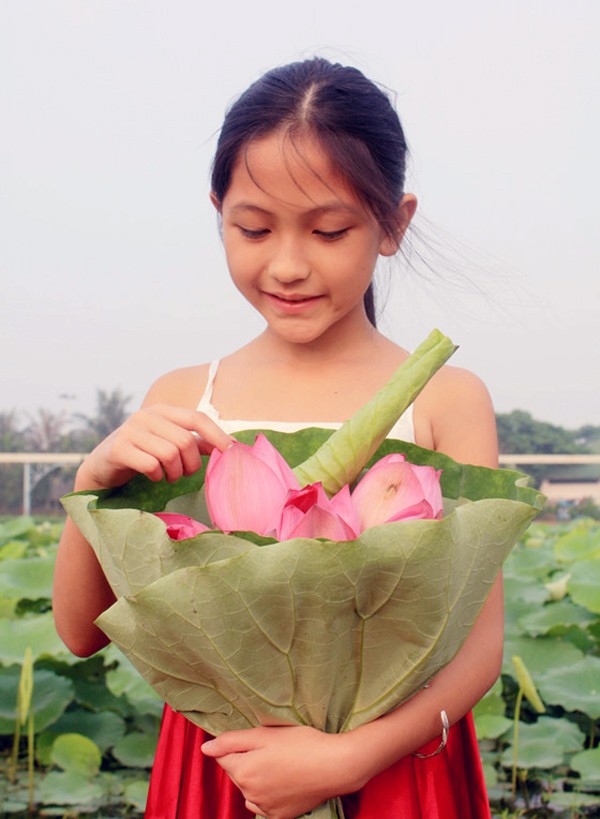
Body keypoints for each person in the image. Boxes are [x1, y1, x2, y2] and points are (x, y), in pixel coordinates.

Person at [53, 57, 501, 819]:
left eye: (329, 229)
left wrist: (349, 757)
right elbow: (78, 633)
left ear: (394, 222)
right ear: (217, 211)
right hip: (228, 768)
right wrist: (94, 480)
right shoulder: (183, 398)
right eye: (253, 228)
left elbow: (479, 648)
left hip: (390, 765)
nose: (288, 264)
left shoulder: (446, 400)